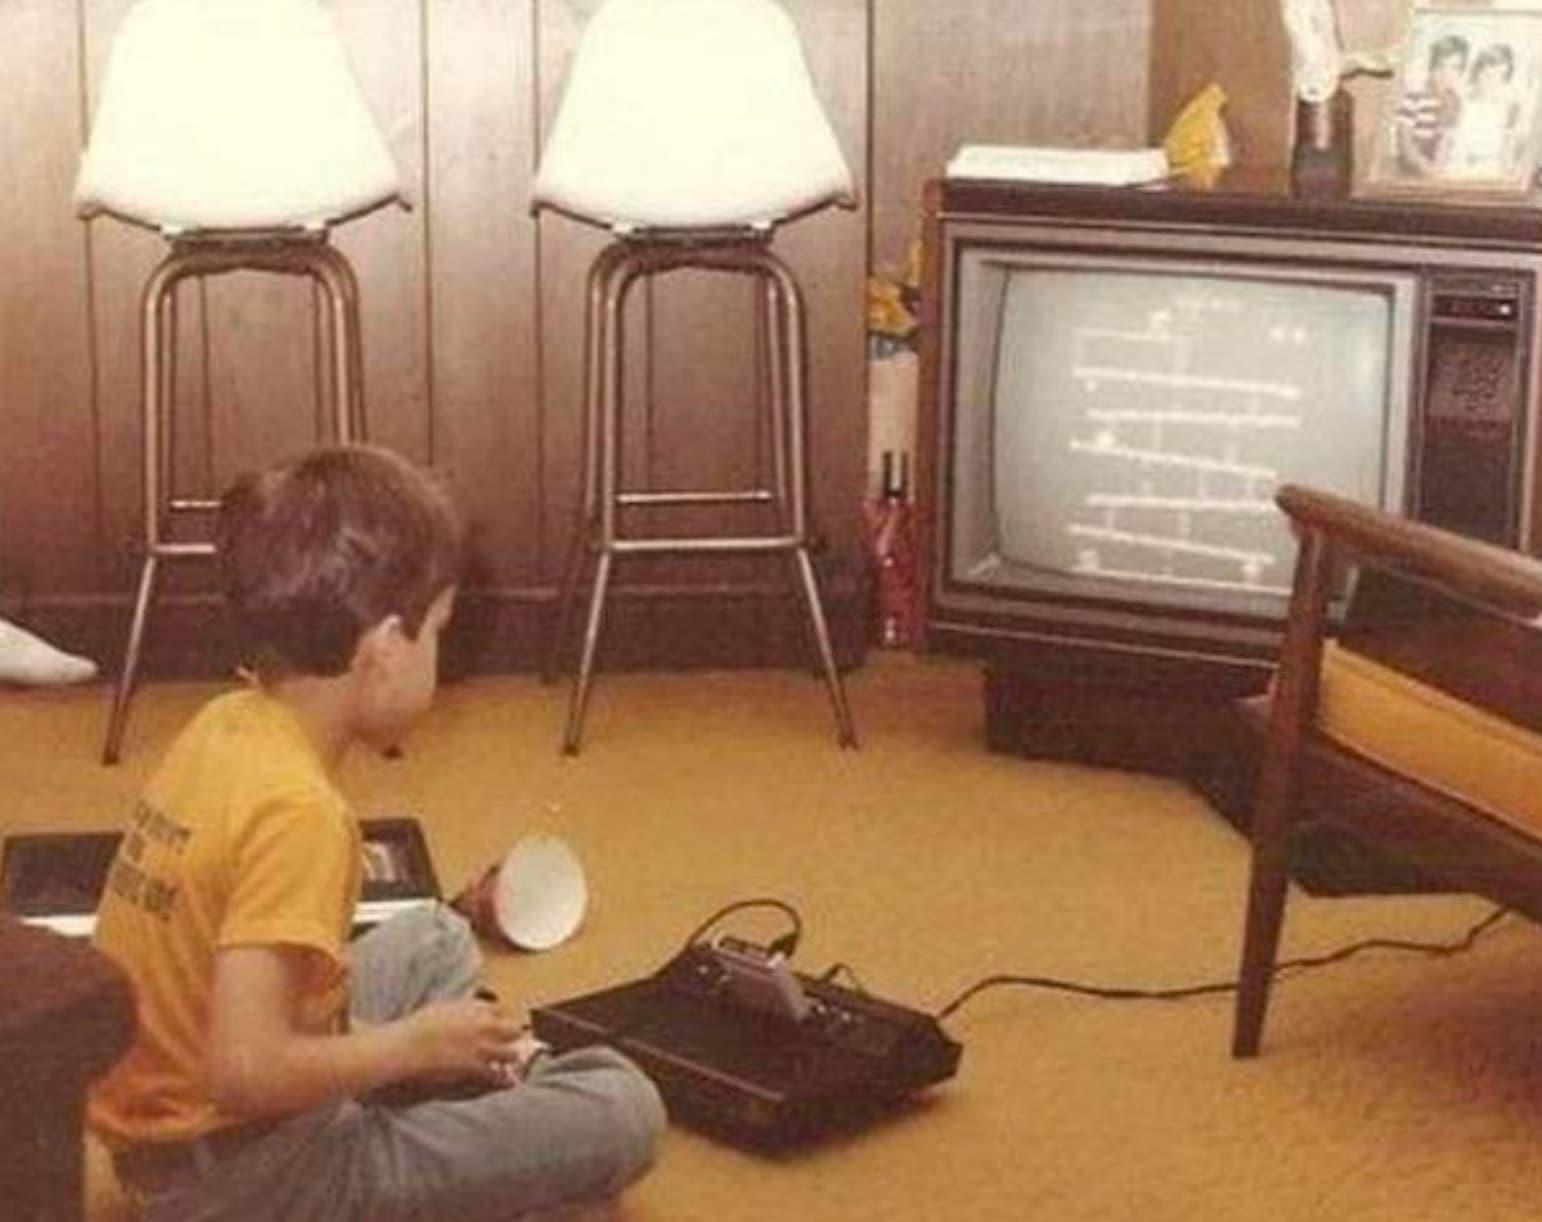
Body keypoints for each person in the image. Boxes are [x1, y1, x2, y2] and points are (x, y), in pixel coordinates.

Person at [87, 443, 665, 1221]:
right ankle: (496, 1111)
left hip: (175, 1138)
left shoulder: (226, 723)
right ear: (386, 651)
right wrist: (414, 1049)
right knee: (624, 1109)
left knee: (433, 936)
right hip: (248, 1177)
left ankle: (475, 1091)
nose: (440, 652)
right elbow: (244, 1071)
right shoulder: (302, 814)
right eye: (439, 630)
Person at [1443, 42, 1524, 179]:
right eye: (1487, 73)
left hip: (1490, 169)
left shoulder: (1511, 106)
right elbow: (1446, 139)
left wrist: (1507, 174)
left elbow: (1508, 147)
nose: (1492, 80)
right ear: (1478, 71)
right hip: (1456, 165)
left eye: (1500, 76)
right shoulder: (1460, 100)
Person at [1393, 32, 1468, 176]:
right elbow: (1405, 144)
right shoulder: (1414, 97)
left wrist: (1437, 170)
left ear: (1461, 72)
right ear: (1431, 67)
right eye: (1440, 66)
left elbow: (1445, 141)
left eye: (1454, 68)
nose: (1446, 73)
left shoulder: (1455, 102)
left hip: (1435, 167)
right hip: (1410, 168)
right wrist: (1427, 168)